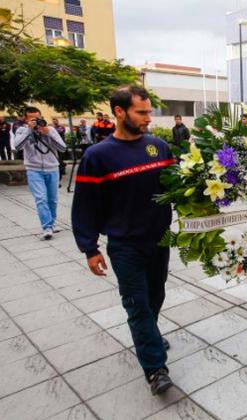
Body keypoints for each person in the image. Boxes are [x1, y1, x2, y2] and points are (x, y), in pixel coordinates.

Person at [72, 85, 176, 395]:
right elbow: (85, 206)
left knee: (155, 296)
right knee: (137, 305)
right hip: (125, 245)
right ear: (120, 112)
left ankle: (150, 337)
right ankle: (155, 368)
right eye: (141, 112)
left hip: (160, 239)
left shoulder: (158, 147)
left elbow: (177, 186)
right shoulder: (97, 156)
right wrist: (89, 248)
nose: (148, 118)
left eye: (149, 112)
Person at [11, 107, 67, 239]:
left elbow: (63, 148)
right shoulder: (22, 130)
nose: (36, 121)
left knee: (52, 200)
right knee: (41, 199)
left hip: (52, 168)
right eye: (32, 118)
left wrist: (48, 133)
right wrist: (29, 130)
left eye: (38, 118)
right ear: (26, 119)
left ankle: (52, 224)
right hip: (33, 169)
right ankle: (47, 227)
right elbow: (18, 147)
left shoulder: (51, 129)